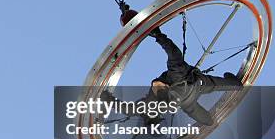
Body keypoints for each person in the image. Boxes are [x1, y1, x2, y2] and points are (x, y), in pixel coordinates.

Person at [101, 27, 242, 126]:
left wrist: (106, 98)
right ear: (166, 86)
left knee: (208, 115)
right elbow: (174, 53)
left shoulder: (152, 101)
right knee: (216, 88)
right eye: (158, 86)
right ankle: (234, 85)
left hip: (189, 96)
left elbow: (128, 109)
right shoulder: (175, 75)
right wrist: (159, 36)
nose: (155, 85)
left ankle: (231, 89)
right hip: (194, 88)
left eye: (155, 86)